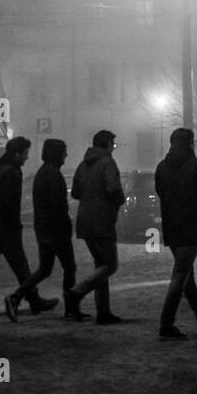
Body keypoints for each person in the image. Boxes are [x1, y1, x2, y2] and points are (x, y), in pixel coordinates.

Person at [0, 136, 59, 320]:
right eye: (25, 154)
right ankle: (32, 299)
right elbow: (9, 205)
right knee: (21, 266)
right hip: (4, 227)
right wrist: (14, 228)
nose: (27, 158)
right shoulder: (12, 173)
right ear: (16, 154)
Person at [4, 139, 78, 321]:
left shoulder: (42, 174)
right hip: (56, 230)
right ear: (57, 154)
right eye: (64, 152)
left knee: (45, 269)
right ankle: (71, 308)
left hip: (43, 229)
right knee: (69, 268)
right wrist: (66, 227)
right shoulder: (54, 175)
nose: (66, 156)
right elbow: (58, 206)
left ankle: (16, 297)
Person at [155, 126, 197, 340]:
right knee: (181, 274)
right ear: (190, 143)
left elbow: (161, 192)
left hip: (172, 227)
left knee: (186, 274)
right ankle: (166, 323)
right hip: (192, 227)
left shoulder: (162, 167)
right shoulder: (196, 166)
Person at [64, 130, 126, 325]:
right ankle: (77, 292)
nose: (113, 148)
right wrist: (118, 201)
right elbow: (113, 188)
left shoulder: (83, 164)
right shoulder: (108, 163)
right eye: (113, 145)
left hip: (84, 219)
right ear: (107, 144)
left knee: (101, 265)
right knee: (110, 265)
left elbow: (75, 193)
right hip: (102, 220)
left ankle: (103, 312)